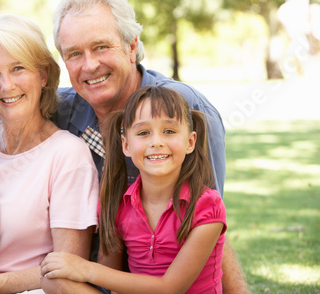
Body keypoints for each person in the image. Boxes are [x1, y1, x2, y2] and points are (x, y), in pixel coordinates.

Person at [49, 0, 248, 292]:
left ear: (131, 47)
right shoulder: (61, 112)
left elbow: (211, 226)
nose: (89, 65)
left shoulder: (184, 109)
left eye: (101, 47)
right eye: (74, 53)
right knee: (57, 281)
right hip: (111, 277)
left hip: (178, 274)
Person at [41, 86, 227, 293]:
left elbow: (171, 288)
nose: (156, 142)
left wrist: (86, 269)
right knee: (54, 280)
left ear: (190, 142)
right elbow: (110, 280)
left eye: (169, 131)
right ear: (126, 145)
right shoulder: (117, 203)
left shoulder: (206, 205)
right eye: (143, 133)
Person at [0, 14, 99, 293]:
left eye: (18, 68)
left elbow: (68, 268)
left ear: (43, 75)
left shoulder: (67, 155)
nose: (7, 85)